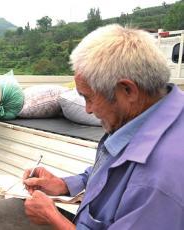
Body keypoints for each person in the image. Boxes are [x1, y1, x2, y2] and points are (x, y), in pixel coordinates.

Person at [22, 24, 184, 229]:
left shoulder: (156, 180)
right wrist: (64, 185)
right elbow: (113, 175)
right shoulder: (147, 117)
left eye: (88, 98)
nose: (88, 110)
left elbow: (135, 182)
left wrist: (53, 218)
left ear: (128, 90)